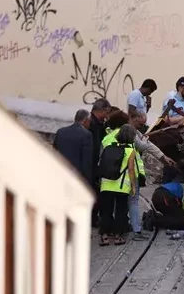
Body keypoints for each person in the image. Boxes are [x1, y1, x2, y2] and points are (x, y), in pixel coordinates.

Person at [127, 111, 176, 239]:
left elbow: (149, 146)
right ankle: (135, 229)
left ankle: (127, 226)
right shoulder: (128, 131)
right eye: (140, 124)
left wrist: (163, 157)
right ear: (132, 118)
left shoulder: (135, 131)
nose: (142, 127)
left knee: (129, 200)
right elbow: (143, 146)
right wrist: (145, 140)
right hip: (128, 172)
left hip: (129, 172)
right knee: (132, 200)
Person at [98, 124, 140, 246]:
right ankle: (118, 237)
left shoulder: (108, 148)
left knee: (106, 211)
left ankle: (104, 236)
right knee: (120, 211)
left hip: (106, 185)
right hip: (121, 187)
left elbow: (101, 164)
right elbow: (131, 169)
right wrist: (133, 186)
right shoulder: (131, 151)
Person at [88, 98, 112, 226]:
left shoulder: (98, 124)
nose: (107, 116)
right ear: (101, 111)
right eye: (106, 113)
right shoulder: (91, 123)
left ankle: (94, 218)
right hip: (92, 164)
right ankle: (92, 219)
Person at [52, 109, 93, 184]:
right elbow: (86, 161)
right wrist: (88, 181)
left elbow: (54, 152)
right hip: (76, 177)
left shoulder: (61, 131)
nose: (90, 124)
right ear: (86, 120)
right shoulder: (87, 135)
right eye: (90, 121)